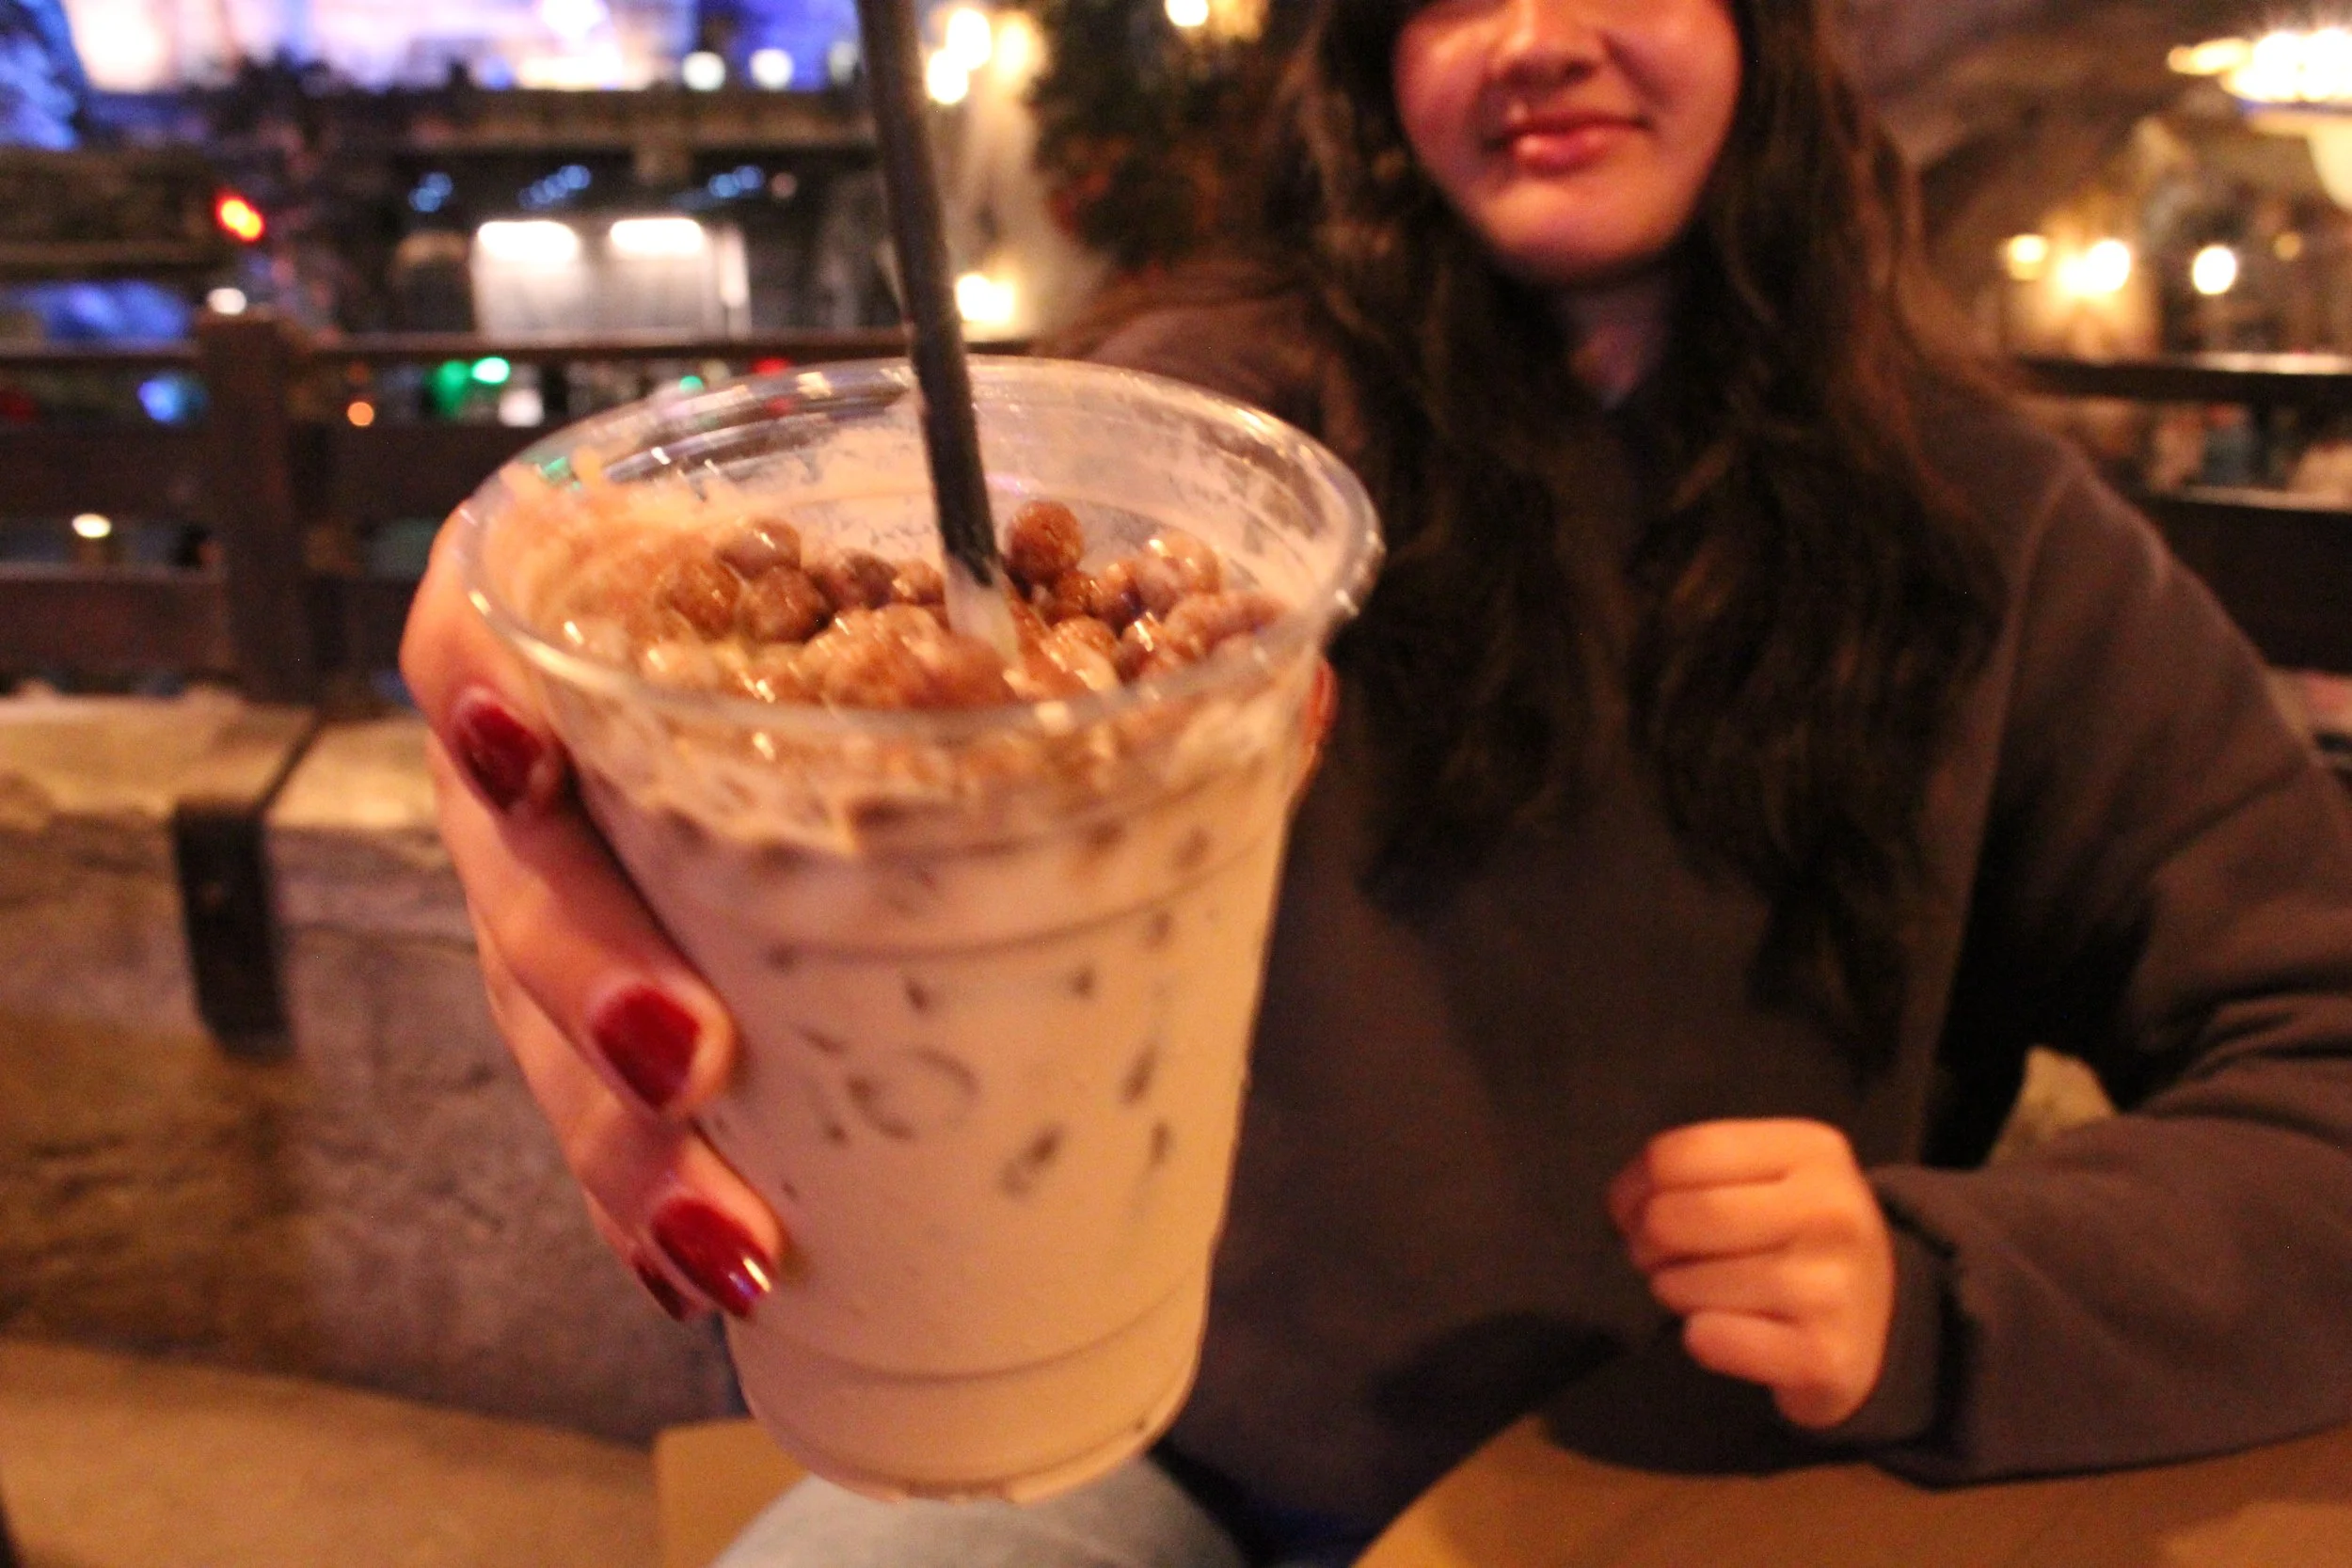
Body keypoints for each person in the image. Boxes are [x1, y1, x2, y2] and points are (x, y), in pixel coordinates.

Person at [397, 0, 2352, 1562]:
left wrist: (1944, 1285)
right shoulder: (1206, 466)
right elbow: (856, 535)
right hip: (1141, 1448)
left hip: (1714, 1481)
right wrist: (547, 607)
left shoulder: (1990, 539)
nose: (1527, 32)